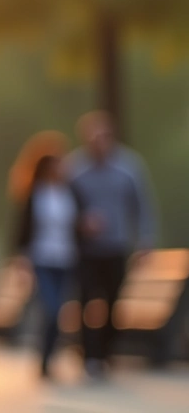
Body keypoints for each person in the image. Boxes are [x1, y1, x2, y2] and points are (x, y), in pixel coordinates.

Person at [64, 111, 157, 379]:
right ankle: (90, 355)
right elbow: (60, 207)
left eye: (103, 136)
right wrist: (80, 222)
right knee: (85, 300)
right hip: (84, 249)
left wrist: (145, 240)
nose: (99, 142)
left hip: (116, 246)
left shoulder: (129, 167)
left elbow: (143, 205)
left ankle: (104, 350)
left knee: (113, 300)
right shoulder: (74, 169)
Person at [12, 152, 78, 380]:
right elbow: (22, 229)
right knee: (51, 309)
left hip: (66, 260)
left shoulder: (70, 194)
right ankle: (45, 357)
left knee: (59, 313)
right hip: (42, 260)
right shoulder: (36, 195)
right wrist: (20, 259)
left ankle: (48, 359)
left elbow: (77, 225)